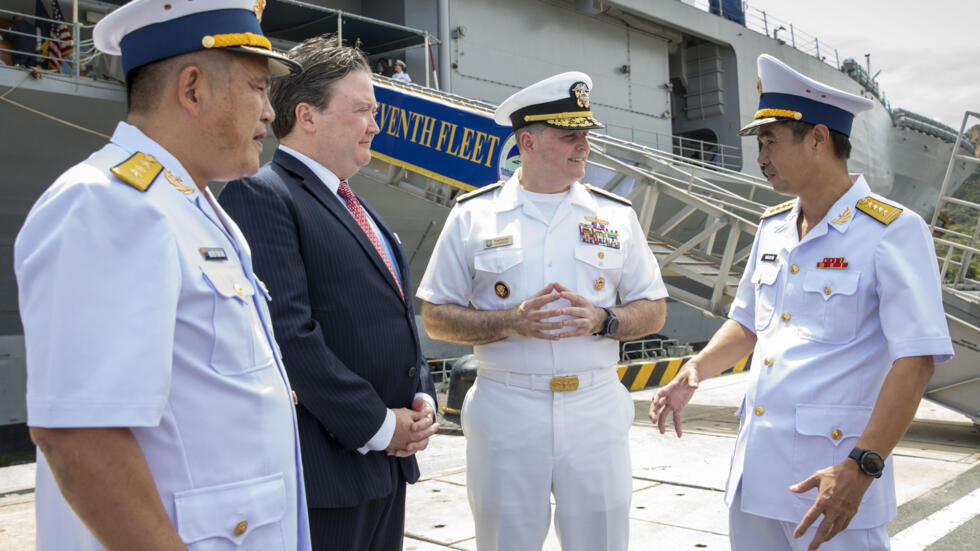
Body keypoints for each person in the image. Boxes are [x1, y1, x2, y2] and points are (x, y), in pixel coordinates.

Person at [13, 1, 310, 550]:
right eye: (257, 88)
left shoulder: (195, 209)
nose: (271, 113)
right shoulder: (107, 204)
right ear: (192, 89)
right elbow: (80, 433)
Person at [649, 54, 953, 551]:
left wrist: (863, 466)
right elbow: (748, 323)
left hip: (833, 483)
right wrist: (696, 370)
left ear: (818, 138)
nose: (761, 156)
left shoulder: (892, 231)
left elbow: (915, 360)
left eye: (770, 141)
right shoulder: (773, 228)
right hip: (757, 479)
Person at [417, 71, 668, 550]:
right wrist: (511, 321)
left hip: (594, 408)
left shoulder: (616, 216)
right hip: (507, 410)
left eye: (585, 134)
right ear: (528, 141)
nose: (584, 146)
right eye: (569, 135)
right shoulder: (472, 216)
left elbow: (653, 310)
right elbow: (435, 315)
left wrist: (604, 320)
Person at [218, 34, 439, 551]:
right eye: (361, 109)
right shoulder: (262, 194)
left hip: (388, 465)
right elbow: (288, 334)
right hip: (328, 472)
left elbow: (398, 319)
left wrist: (421, 396)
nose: (375, 124)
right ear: (307, 116)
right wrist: (380, 426)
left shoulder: (364, 213)